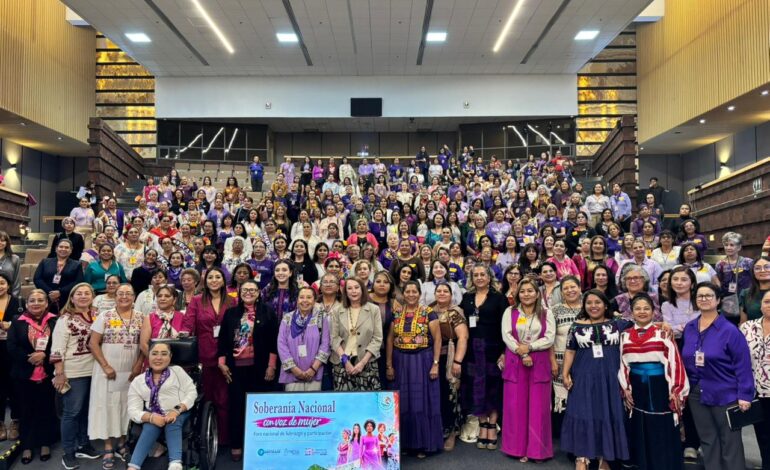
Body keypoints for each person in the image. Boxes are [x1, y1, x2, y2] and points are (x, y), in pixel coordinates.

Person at [682, 282, 754, 470]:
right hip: (697, 393)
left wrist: (745, 395)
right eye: (700, 296)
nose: (704, 299)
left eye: (708, 296)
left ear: (718, 300)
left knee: (730, 441)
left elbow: (743, 364)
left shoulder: (729, 330)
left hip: (725, 392)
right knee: (707, 439)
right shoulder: (690, 327)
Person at [618, 293, 689, 470]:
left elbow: (674, 361)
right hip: (636, 385)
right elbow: (622, 364)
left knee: (661, 426)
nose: (642, 312)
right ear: (631, 312)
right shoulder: (625, 335)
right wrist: (625, 388)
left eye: (646, 308)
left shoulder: (663, 333)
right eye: (637, 308)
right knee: (640, 425)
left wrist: (676, 389)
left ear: (653, 311)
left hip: (659, 385)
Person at [561, 290, 630, 470]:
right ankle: (581, 457)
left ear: (605, 304)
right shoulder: (576, 326)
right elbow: (570, 350)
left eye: (597, 302)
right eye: (589, 303)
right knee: (583, 413)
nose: (593, 306)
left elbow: (643, 323)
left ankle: (604, 458)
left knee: (607, 413)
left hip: (610, 378)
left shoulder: (619, 324)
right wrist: (565, 374)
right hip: (584, 376)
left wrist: (663, 324)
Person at [217, 280, 278, 461]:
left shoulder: (268, 312)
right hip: (235, 369)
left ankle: (260, 444)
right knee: (236, 407)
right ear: (239, 292)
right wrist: (222, 363)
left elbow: (274, 341)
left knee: (260, 408)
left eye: (252, 290)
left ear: (259, 292)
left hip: (260, 368)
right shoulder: (231, 313)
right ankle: (236, 444)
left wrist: (271, 365)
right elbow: (222, 341)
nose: (249, 293)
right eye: (245, 290)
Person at [89, 283, 144, 468]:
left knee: (125, 406)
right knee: (107, 406)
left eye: (129, 293)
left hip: (131, 371)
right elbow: (93, 343)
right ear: (115, 296)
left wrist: (138, 365)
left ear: (134, 297)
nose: (124, 297)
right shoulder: (105, 315)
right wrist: (105, 366)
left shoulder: (141, 318)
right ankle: (107, 446)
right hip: (108, 370)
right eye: (121, 293)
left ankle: (122, 441)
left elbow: (145, 345)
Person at [385, 281, 442, 458]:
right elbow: (389, 340)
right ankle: (406, 444)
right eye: (407, 291)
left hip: (422, 360)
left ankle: (423, 444)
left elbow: (438, 339)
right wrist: (389, 364)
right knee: (403, 404)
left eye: (414, 291)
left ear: (419, 293)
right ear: (403, 294)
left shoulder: (428, 312)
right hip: (400, 361)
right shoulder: (396, 313)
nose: (411, 294)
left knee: (421, 403)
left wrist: (435, 363)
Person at [501, 277, 555, 462]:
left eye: (530, 291)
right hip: (516, 360)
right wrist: (522, 352)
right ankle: (516, 449)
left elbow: (549, 337)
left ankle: (537, 451)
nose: (526, 294)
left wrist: (530, 348)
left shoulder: (546, 313)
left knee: (538, 408)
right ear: (518, 294)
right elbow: (506, 335)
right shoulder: (510, 311)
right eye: (522, 291)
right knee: (515, 406)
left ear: (537, 293)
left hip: (539, 361)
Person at [180, 267, 235, 446]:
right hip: (204, 354)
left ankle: (225, 439)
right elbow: (188, 323)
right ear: (205, 281)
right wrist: (184, 333)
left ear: (223, 280)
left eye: (217, 277)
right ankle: (208, 438)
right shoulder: (196, 300)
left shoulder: (232, 301)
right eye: (210, 277)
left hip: (227, 355)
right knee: (208, 398)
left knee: (226, 399)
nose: (214, 280)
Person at [126, 342, 197, 470]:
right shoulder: (138, 381)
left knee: (172, 421)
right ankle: (133, 467)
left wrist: (177, 410)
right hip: (154, 414)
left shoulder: (177, 372)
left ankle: (175, 464)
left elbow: (192, 392)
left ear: (170, 357)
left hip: (179, 412)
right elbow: (132, 409)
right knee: (150, 426)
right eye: (154, 354)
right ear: (148, 356)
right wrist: (150, 417)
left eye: (164, 354)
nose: (158, 358)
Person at [6, 289, 57, 464]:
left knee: (46, 409)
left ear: (46, 303)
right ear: (27, 304)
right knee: (26, 410)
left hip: (48, 373)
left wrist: (45, 355)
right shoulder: (17, 321)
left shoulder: (54, 320)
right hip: (23, 373)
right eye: (32, 300)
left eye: (40, 300)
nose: (36, 303)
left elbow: (59, 344)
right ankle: (27, 445)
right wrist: (31, 358)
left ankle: (45, 443)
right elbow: (11, 346)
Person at [459, 266, 508, 451]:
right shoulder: (467, 298)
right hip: (472, 350)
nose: (479, 278)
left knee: (493, 387)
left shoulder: (499, 298)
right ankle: (482, 424)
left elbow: (506, 327)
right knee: (475, 387)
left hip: (494, 349)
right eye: (476, 275)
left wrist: (504, 352)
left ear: (489, 277)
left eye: (483, 275)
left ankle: (491, 426)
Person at [430, 282, 468, 451]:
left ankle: (452, 432)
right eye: (439, 291)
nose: (442, 293)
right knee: (435, 394)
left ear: (451, 295)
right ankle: (438, 429)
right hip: (431, 357)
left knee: (451, 394)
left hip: (450, 358)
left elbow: (463, 337)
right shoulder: (428, 310)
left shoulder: (455, 312)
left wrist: (457, 361)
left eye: (446, 291)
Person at [330, 278, 383, 391]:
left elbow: (377, 338)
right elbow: (334, 338)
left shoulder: (374, 309)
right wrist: (345, 361)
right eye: (349, 288)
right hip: (342, 363)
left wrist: (363, 362)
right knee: (344, 404)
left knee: (368, 404)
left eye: (356, 287)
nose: (353, 291)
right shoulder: (337, 310)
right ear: (345, 292)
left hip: (367, 362)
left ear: (362, 290)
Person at [277, 286, 330, 391]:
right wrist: (294, 369)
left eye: (309, 297)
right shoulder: (287, 318)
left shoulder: (321, 319)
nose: (305, 300)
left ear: (314, 301)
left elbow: (326, 344)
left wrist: (313, 369)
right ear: (297, 300)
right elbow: (281, 344)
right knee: (292, 406)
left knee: (313, 405)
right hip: (292, 374)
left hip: (314, 374)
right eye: (301, 297)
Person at [739, 290, 770, 470]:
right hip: (755, 389)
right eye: (766, 301)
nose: (769, 305)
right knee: (762, 434)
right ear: (760, 305)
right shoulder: (747, 327)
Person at [549, 276, 583, 420]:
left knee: (582, 397)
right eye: (566, 288)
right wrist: (552, 361)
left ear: (580, 289)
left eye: (573, 287)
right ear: (561, 293)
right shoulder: (554, 311)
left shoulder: (589, 307)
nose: (570, 290)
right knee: (564, 403)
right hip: (561, 361)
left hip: (583, 362)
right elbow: (549, 338)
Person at [0, 272, 23, 442]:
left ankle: (16, 421)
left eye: (2, 283)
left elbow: (24, 323)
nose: (0, 286)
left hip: (12, 349)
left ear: (8, 285)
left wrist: (11, 325)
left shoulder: (18, 302)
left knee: (15, 386)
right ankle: (0, 423)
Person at [34, 239, 84, 314]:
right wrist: (50, 293)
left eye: (67, 247)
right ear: (56, 249)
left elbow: (78, 281)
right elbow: (37, 279)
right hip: (46, 297)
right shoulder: (45, 262)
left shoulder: (76, 264)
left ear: (71, 250)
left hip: (66, 298)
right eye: (61, 247)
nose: (63, 249)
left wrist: (60, 292)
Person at [715, 232, 754, 323]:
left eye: (732, 245)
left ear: (739, 247)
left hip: (746, 299)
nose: (728, 247)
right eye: (726, 245)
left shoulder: (747, 262)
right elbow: (719, 281)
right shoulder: (720, 264)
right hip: (728, 301)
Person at [139, 286, 185, 357]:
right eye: (159, 296)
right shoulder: (149, 318)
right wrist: (158, 359)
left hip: (178, 361)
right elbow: (143, 345)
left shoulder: (182, 317)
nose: (162, 299)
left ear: (174, 300)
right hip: (154, 362)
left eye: (167, 296)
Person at [740, 256, 770, 323]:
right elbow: (743, 322)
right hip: (753, 332)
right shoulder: (745, 293)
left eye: (767, 267)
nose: (762, 270)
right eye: (757, 268)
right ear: (753, 272)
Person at [0, 231, 21, 297]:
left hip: (9, 295)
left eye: (2, 240)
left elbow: (17, 281)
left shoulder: (15, 258)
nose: (0, 243)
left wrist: (12, 299)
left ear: (7, 243)